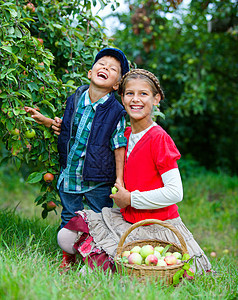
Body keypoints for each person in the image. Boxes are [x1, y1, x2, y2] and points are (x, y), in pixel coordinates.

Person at [57, 69, 212, 275]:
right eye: (129, 93)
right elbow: (87, 141)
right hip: (127, 220)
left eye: (143, 94)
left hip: (157, 224)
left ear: (156, 99)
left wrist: (130, 198)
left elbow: (176, 192)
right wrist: (60, 125)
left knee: (105, 270)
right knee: (65, 237)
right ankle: (109, 262)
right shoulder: (124, 134)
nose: (135, 99)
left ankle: (110, 267)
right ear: (121, 98)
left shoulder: (158, 138)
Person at [25, 48, 130, 267]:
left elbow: (119, 145)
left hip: (98, 178)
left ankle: (97, 257)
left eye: (113, 69)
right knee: (69, 217)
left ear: (116, 85)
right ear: (90, 73)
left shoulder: (116, 111)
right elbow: (65, 126)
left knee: (99, 219)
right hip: (71, 173)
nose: (105, 69)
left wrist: (119, 180)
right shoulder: (75, 99)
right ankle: (69, 257)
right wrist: (45, 121)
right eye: (101, 64)